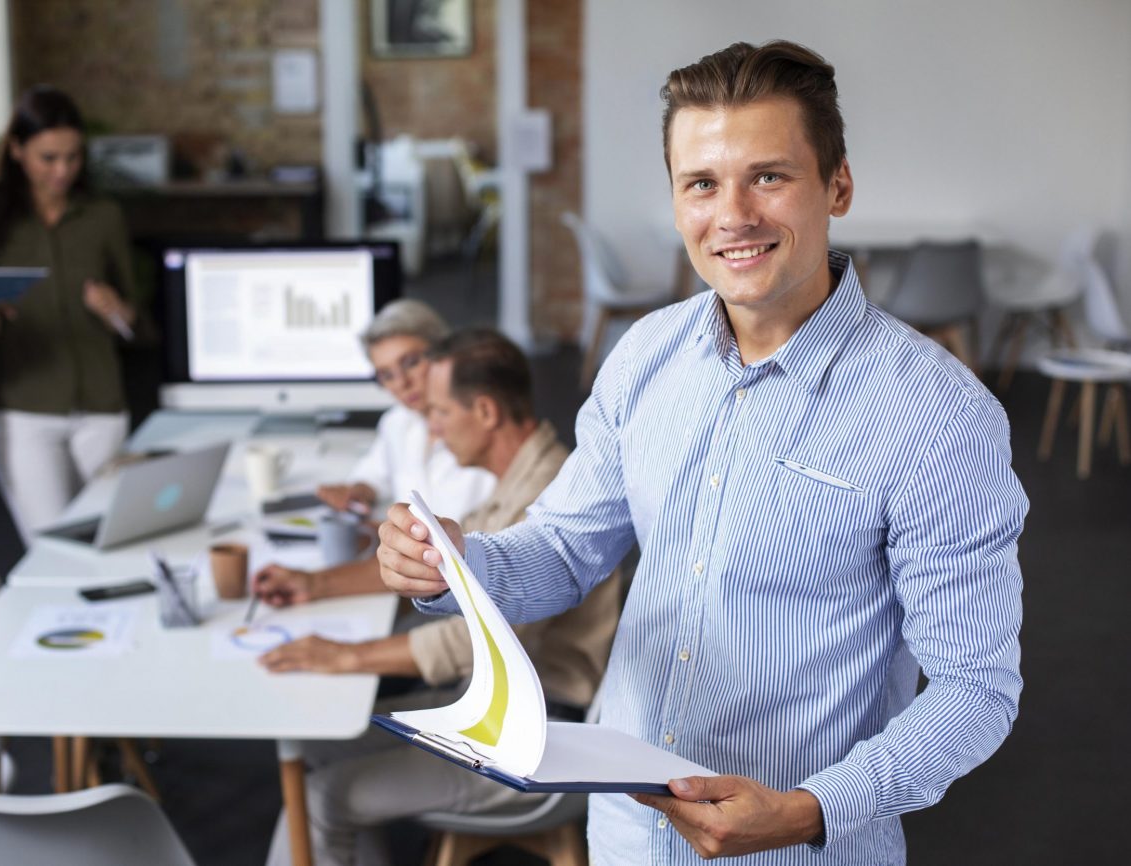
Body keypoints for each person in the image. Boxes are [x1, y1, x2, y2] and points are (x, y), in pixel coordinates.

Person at [377, 40, 1027, 865]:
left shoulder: (937, 416)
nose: (734, 216)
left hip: (797, 850)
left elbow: (976, 691)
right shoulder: (645, 356)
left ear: (838, 184)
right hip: (623, 832)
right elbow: (565, 551)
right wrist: (459, 566)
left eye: (769, 176)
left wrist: (810, 810)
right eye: (702, 184)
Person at [261, 329, 621, 866]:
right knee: (315, 745)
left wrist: (348, 658)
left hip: (538, 735)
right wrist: (314, 585)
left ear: (484, 411)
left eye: (439, 413)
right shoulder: (518, 478)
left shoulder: (549, 492)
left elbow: (467, 642)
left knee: (319, 798)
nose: (430, 430)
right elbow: (436, 569)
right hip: (493, 705)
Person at [0, 85, 138, 543]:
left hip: (102, 406)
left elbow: (136, 317)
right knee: (53, 547)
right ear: (17, 150)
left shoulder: (103, 216)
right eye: (49, 158)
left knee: (112, 540)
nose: (63, 170)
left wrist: (116, 310)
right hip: (24, 409)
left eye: (73, 158)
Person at [315, 298, 494, 520]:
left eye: (411, 362)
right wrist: (356, 492)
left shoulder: (479, 424)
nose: (401, 383)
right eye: (387, 375)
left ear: (444, 352)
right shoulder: (398, 422)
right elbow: (375, 475)